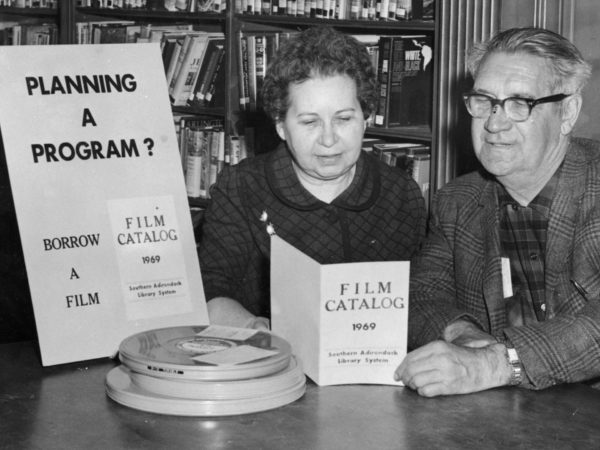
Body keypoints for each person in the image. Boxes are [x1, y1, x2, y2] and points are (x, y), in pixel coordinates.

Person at [395, 27, 600, 396]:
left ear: (567, 112)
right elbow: (421, 294)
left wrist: (496, 363)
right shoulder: (456, 202)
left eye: (520, 103)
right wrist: (464, 335)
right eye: (484, 100)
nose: (494, 122)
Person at [197, 26, 426, 330]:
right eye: (309, 122)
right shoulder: (240, 188)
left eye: (344, 118)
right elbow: (212, 290)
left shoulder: (401, 193)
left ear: (365, 118)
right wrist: (255, 330)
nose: (329, 140)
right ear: (281, 126)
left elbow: (422, 297)